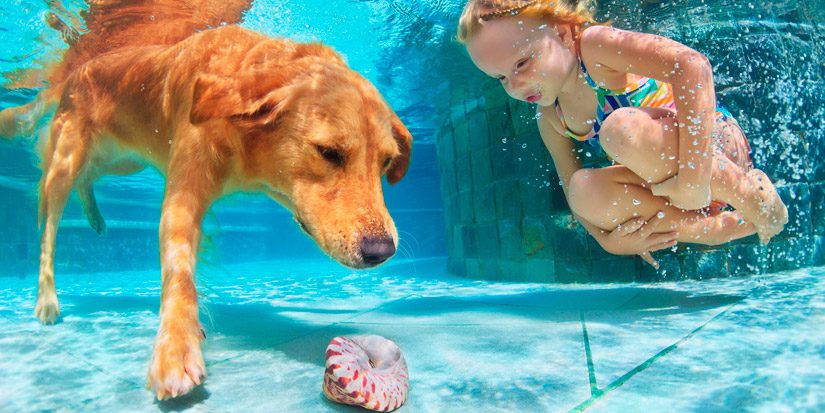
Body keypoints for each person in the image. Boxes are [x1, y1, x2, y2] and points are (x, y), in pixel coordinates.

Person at [456, 0, 788, 268]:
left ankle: (753, 196)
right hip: (680, 187)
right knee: (582, 189)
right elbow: (576, 199)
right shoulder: (550, 117)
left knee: (620, 131)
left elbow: (692, 66)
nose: (514, 86)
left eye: (522, 64)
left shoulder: (596, 47)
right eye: (500, 78)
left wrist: (693, 177)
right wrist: (608, 240)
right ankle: (712, 231)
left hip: (714, 146)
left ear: (559, 31)